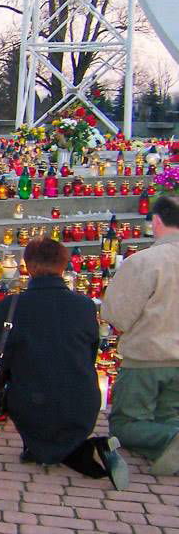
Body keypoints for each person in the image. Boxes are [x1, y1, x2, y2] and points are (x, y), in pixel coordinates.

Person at [0, 237, 128, 488]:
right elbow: (91, 351)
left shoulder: (13, 306)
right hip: (82, 400)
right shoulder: (83, 305)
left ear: (27, 266)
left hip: (32, 401)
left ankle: (51, 449)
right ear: (64, 265)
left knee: (43, 443)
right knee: (55, 438)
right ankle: (80, 449)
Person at [103, 195, 179, 476]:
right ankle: (169, 440)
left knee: (124, 425)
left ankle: (170, 440)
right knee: (168, 416)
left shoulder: (146, 261)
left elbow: (117, 314)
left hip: (148, 357)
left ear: (156, 221)